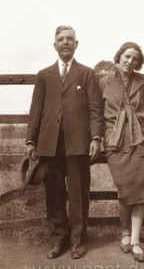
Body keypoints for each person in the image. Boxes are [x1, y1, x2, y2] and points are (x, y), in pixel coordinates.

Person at [26, 26, 103, 259]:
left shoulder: (87, 74)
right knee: (54, 194)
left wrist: (96, 138)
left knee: (79, 193)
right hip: (49, 145)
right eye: (61, 39)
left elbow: (95, 110)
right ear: (55, 45)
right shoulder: (44, 75)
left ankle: (78, 240)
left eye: (70, 39)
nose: (65, 42)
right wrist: (31, 140)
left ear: (76, 44)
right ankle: (59, 239)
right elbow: (35, 110)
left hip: (78, 143)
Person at [99, 42, 144, 262]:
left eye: (134, 58)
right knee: (125, 190)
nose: (129, 61)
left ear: (138, 62)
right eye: (126, 56)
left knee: (140, 192)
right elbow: (95, 112)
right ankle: (124, 232)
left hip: (141, 140)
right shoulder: (103, 82)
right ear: (119, 56)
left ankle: (135, 240)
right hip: (115, 141)